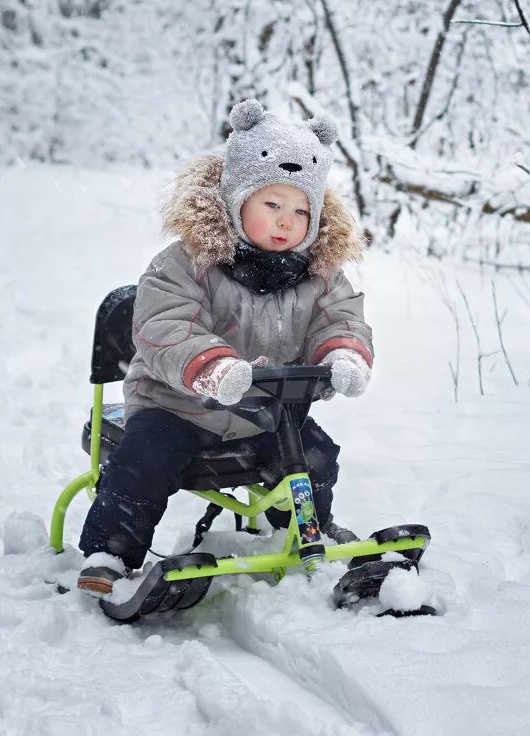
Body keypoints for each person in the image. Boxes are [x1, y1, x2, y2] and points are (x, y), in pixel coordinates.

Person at [77, 99, 374, 596]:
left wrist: (341, 354)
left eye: (301, 210)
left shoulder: (320, 275)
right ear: (237, 200)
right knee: (144, 460)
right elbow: (165, 325)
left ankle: (303, 530)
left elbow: (340, 318)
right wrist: (213, 367)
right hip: (177, 405)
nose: (286, 221)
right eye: (272, 205)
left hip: (267, 412)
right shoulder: (185, 263)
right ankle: (111, 552)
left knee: (317, 454)